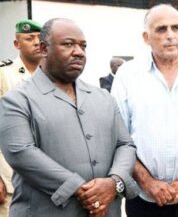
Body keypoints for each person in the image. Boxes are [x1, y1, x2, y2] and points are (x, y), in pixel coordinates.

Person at [0, 18, 139, 217]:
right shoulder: (17, 100)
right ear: (44, 49)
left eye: (83, 46)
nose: (79, 52)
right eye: (68, 44)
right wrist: (84, 190)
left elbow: (125, 145)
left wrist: (113, 183)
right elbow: (21, 153)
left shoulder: (103, 98)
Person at [111, 4, 178, 217]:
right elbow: (118, 138)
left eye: (175, 28)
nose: (170, 36)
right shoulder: (127, 75)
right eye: (161, 29)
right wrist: (147, 182)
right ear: (146, 37)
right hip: (145, 201)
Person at [0, 19, 42, 217]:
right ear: (17, 44)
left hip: (46, 177)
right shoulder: (4, 74)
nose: (36, 42)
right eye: (29, 38)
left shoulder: (52, 76)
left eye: (40, 38)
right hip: (9, 175)